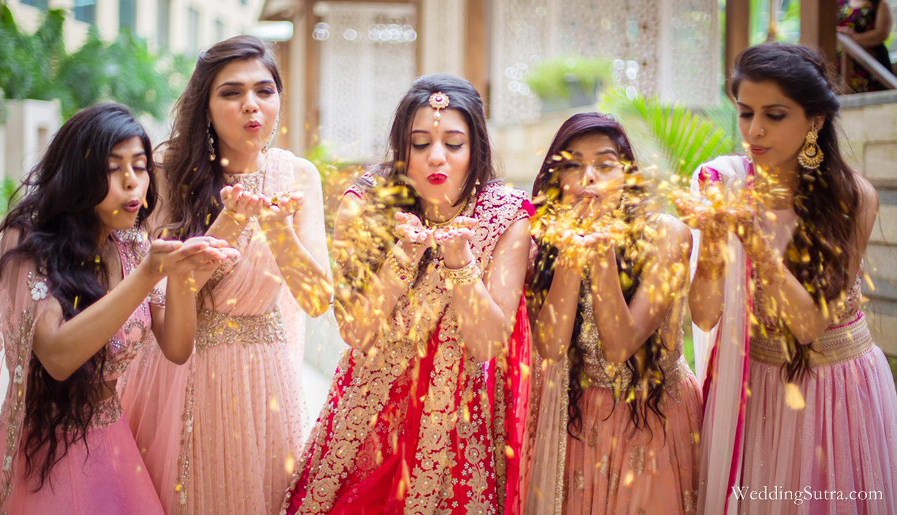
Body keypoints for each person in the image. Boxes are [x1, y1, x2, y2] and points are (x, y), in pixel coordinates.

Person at [283, 74, 532, 514]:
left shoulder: (504, 215)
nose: (436, 156)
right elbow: (356, 332)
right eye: (420, 144)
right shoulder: (367, 205)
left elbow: (488, 344)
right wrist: (402, 258)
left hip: (454, 426)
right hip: (369, 421)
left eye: (453, 143)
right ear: (402, 147)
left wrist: (460, 261)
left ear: (475, 148)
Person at [0, 103, 235, 514]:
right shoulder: (30, 243)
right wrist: (148, 275)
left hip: (111, 439)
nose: (132, 182)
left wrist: (183, 278)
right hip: (47, 453)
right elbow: (58, 358)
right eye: (114, 168)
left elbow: (176, 348)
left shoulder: (131, 244)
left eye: (140, 166)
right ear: (79, 175)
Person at [120, 35, 332, 514]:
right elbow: (157, 292)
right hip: (183, 370)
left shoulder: (298, 176)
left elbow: (318, 299)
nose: (251, 105)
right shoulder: (168, 174)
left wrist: (279, 231)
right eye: (232, 93)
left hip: (263, 375)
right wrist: (230, 222)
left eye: (264, 91)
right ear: (207, 107)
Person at [687, 43, 897, 514]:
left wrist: (752, 238)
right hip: (760, 388)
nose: (754, 130)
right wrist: (715, 239)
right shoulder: (725, 185)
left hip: (839, 390)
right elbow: (703, 317)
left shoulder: (852, 198)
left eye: (775, 115)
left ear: (814, 120)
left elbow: (807, 326)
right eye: (746, 113)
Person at [523, 112, 701, 514]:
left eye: (605, 165)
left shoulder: (666, 235)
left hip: (654, 414)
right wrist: (571, 253)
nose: (589, 178)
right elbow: (550, 347)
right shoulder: (544, 243)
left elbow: (621, 346)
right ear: (558, 180)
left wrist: (601, 252)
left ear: (627, 176)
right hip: (579, 417)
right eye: (573, 166)